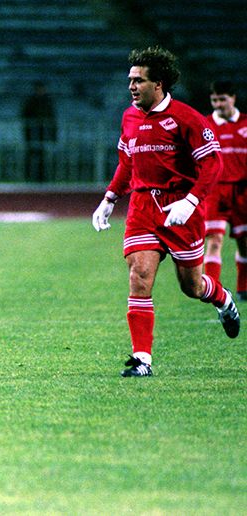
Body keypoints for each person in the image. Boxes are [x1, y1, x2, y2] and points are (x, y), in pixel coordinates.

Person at [91, 46, 240, 378]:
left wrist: (190, 202)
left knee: (192, 287)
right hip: (143, 206)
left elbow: (213, 163)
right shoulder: (129, 117)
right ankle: (142, 359)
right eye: (130, 80)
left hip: (180, 208)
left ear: (158, 83)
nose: (131, 86)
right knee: (139, 275)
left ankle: (222, 299)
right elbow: (127, 162)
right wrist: (110, 197)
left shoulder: (187, 118)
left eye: (138, 80)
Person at [203, 81, 247, 299]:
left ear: (233, 98)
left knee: (244, 242)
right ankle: (214, 291)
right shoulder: (205, 126)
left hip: (243, 191)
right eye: (214, 100)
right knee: (214, 240)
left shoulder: (246, 124)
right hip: (215, 191)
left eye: (222, 99)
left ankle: (243, 287)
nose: (218, 104)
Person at [20, 80, 58, 182]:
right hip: (32, 131)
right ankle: (28, 176)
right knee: (31, 153)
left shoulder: (47, 101)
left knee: (43, 154)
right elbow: (24, 115)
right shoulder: (30, 101)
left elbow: (51, 117)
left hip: (43, 132)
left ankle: (42, 177)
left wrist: (53, 133)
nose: (41, 91)